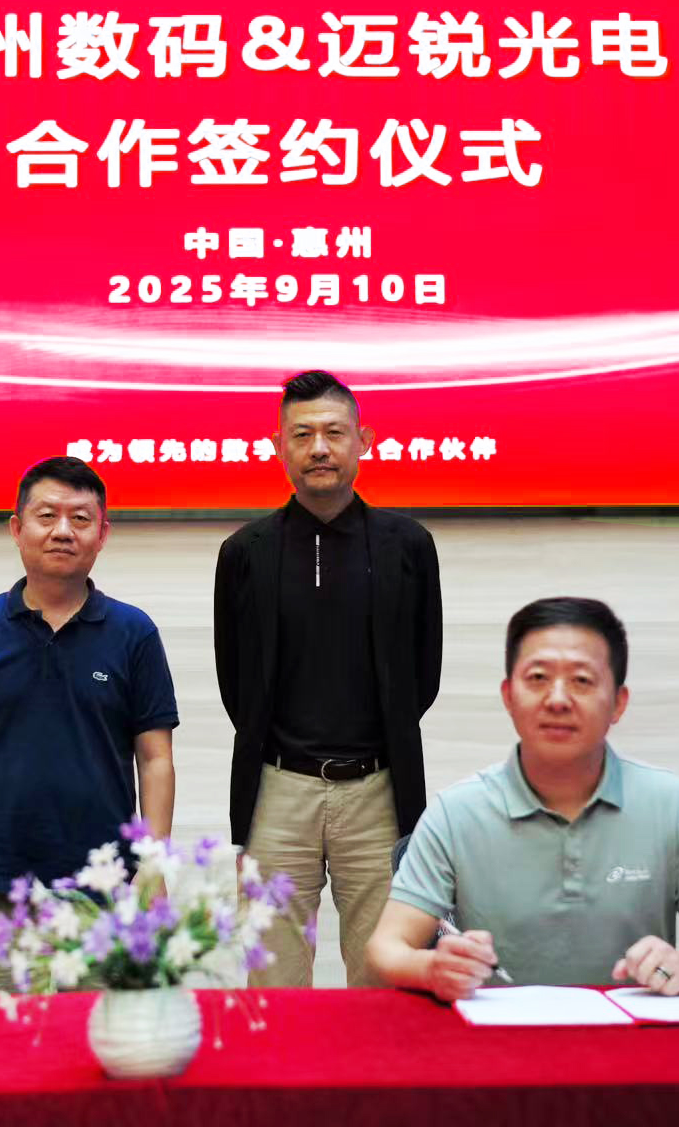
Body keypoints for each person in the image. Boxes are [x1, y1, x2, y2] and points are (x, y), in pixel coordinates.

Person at [368, 596, 679, 1001]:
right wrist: (432, 969)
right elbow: (386, 948)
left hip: (632, 1031)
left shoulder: (673, 804)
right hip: (499, 1033)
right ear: (508, 696)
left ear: (618, 703)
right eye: (538, 677)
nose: (557, 699)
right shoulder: (456, 813)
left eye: (582, 681)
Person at [214, 370, 443, 987]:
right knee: (274, 981)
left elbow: (423, 675)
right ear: (278, 446)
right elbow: (236, 683)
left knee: (385, 974)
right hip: (277, 791)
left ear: (363, 440)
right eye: (303, 434)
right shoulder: (245, 552)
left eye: (334, 433)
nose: (319, 447)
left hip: (379, 791)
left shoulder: (408, 546)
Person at [0, 456, 178, 987]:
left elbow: (155, 759)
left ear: (102, 534)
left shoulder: (133, 632)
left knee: (102, 1028)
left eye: (80, 519)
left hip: (105, 886)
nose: (63, 531)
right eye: (47, 516)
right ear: (17, 528)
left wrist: (154, 864)